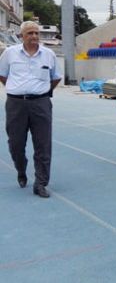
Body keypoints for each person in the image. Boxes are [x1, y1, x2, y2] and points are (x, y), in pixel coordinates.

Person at [0, 21, 61, 198]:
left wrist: (44, 92)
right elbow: (2, 74)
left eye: (36, 33)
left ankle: (40, 183)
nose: (34, 36)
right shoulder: (10, 53)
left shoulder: (48, 55)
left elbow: (55, 77)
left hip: (41, 104)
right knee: (15, 144)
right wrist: (15, 88)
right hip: (16, 104)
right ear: (21, 36)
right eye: (30, 33)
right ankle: (21, 168)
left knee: (43, 144)